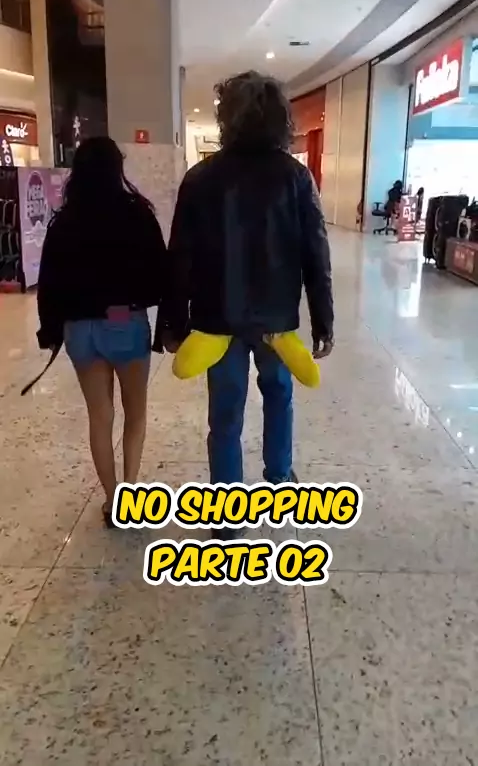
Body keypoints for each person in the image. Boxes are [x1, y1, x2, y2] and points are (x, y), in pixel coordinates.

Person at [155, 71, 334, 539]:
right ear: (280, 118)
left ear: (226, 118)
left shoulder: (201, 178)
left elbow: (180, 256)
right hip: (277, 320)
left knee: (226, 413)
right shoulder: (295, 177)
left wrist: (173, 322)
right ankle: (279, 481)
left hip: (218, 320)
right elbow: (316, 252)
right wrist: (323, 320)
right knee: (279, 396)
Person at [37, 137, 168, 526]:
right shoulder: (137, 214)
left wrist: (51, 331)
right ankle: (131, 495)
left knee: (100, 416)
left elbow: (49, 285)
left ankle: (112, 499)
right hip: (123, 322)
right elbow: (160, 275)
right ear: (117, 168)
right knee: (135, 414)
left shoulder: (63, 222)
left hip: (80, 329)